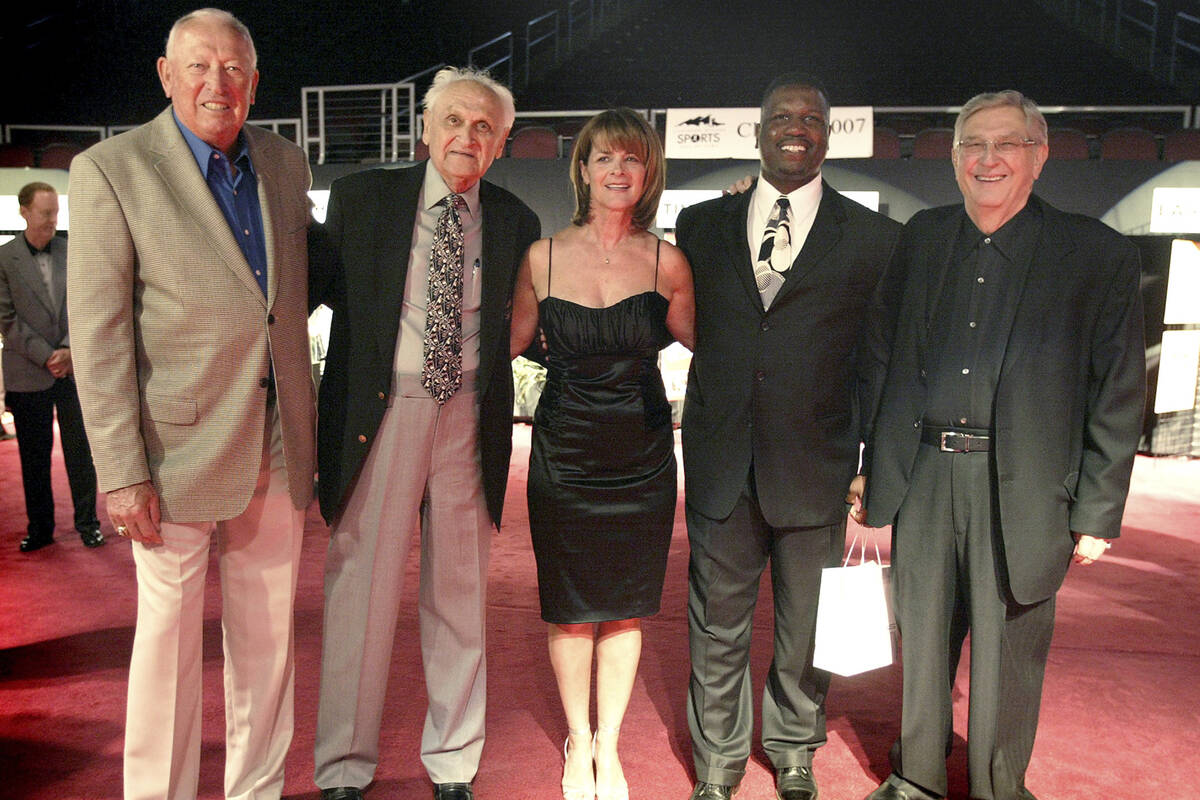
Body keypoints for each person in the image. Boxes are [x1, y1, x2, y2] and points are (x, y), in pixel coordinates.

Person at [855, 90, 1145, 800]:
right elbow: (881, 357)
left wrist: (1098, 511)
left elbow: (1117, 387)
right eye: (971, 145)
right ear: (953, 159)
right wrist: (863, 468)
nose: (987, 159)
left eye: (1005, 143)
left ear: (1038, 156)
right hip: (922, 472)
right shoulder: (921, 237)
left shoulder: (1095, 254)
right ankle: (915, 777)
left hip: (1025, 485)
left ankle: (997, 785)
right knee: (920, 639)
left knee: (1011, 649)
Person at [66, 9, 315, 799]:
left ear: (255, 82)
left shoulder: (283, 161)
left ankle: (256, 790)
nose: (219, 83)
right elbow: (99, 337)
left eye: (235, 68)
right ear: (166, 75)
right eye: (200, 66)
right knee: (167, 650)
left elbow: (282, 301)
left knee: (268, 642)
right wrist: (120, 470)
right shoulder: (112, 169)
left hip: (277, 441)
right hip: (169, 458)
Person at [309, 66, 540, 800]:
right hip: (382, 414)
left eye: (483, 128)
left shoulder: (515, 221)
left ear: (501, 144)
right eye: (453, 121)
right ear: (425, 127)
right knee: (360, 594)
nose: (465, 137)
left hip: (469, 415)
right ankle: (344, 767)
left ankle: (454, 761)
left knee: (461, 593)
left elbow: (526, 325)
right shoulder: (361, 200)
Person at [674, 73, 901, 800]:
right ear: (758, 131)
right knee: (716, 624)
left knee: (806, 625)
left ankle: (796, 746)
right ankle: (717, 762)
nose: (795, 127)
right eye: (781, 116)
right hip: (721, 461)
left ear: (828, 134)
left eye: (810, 117)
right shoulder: (702, 225)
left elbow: (878, 362)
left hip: (819, 465)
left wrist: (869, 461)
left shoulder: (873, 238)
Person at [510, 108, 694, 800]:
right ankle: (577, 740)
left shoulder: (668, 260)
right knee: (569, 606)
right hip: (564, 453)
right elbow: (508, 345)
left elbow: (717, 343)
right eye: (603, 159)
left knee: (623, 607)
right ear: (581, 169)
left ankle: (608, 748)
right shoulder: (543, 257)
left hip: (643, 455)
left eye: (631, 160)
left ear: (648, 174)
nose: (617, 171)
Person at [0, 182, 103, 551]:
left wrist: (69, 349)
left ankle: (88, 522)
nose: (52, 220)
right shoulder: (3, 258)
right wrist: (47, 355)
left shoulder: (73, 251)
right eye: (45, 213)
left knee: (81, 452)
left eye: (56, 212)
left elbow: (88, 305)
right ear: (24, 212)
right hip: (29, 372)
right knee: (33, 457)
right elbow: (7, 320)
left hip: (74, 368)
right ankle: (40, 528)